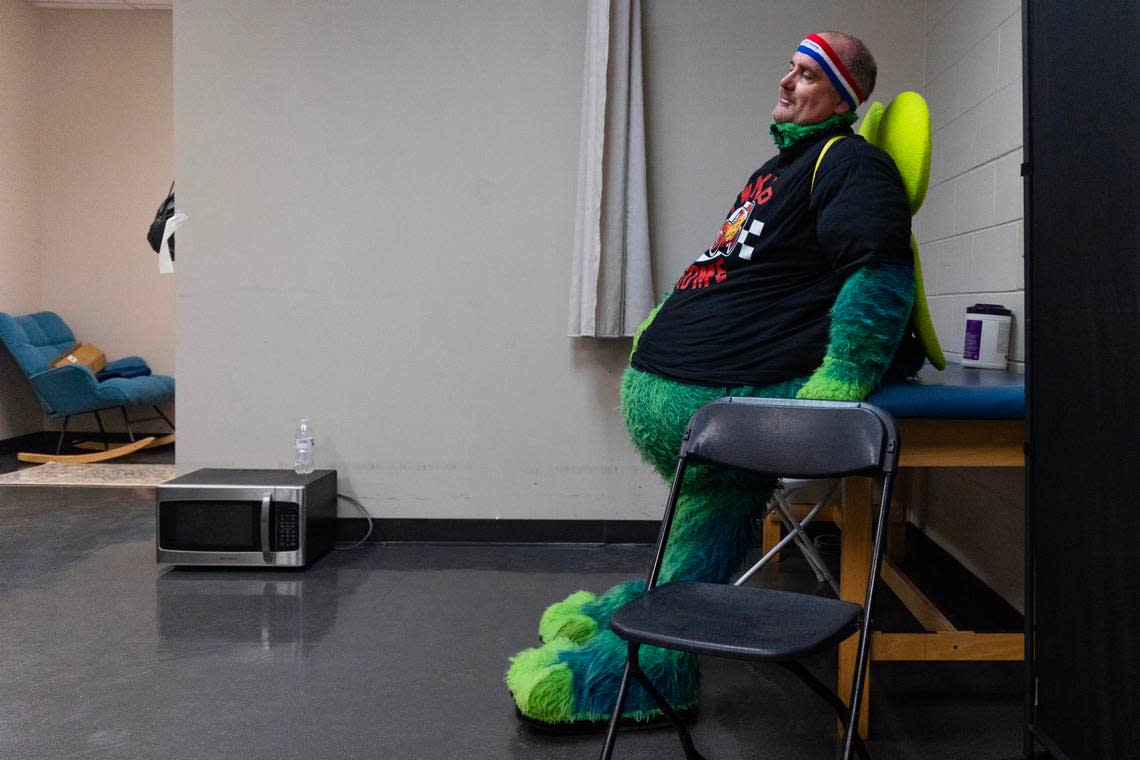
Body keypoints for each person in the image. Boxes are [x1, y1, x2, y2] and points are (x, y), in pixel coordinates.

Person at [507, 31, 921, 730]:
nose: (787, 82)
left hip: (728, 399)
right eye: (789, 67)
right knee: (711, 503)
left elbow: (878, 272)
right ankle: (645, 608)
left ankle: (645, 673)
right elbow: (730, 267)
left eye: (809, 74)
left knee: (721, 493)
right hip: (692, 390)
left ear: (845, 96)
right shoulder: (779, 167)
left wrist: (837, 386)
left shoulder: (853, 164)